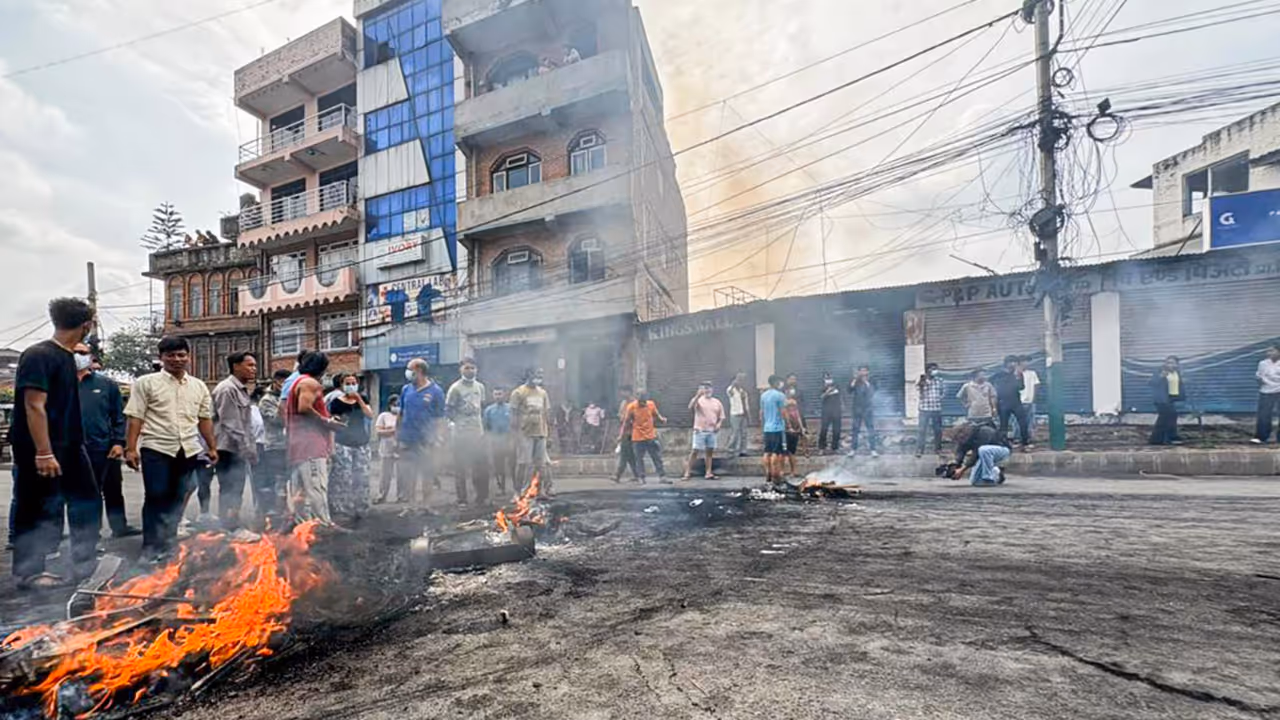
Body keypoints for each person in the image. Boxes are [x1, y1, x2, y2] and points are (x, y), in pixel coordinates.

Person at [10, 298, 100, 588]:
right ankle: (29, 572)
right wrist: (44, 452)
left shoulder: (66, 357)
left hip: (71, 445)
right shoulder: (38, 355)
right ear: (87, 325)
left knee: (87, 500)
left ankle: (85, 564)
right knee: (36, 506)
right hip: (41, 448)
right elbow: (34, 405)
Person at [125, 336, 218, 562]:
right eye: (171, 355)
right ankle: (150, 548)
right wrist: (130, 448)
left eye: (181, 355)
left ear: (188, 357)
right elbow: (135, 416)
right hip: (156, 448)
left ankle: (167, 544)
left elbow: (204, 419)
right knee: (156, 497)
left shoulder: (198, 386)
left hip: (187, 449)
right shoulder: (146, 383)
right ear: (161, 358)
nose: (177, 359)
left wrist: (212, 447)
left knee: (178, 498)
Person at [79, 347, 138, 538]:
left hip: (105, 447)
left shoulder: (106, 384)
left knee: (113, 489)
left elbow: (118, 417)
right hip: (75, 448)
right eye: (74, 352)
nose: (78, 357)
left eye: (83, 353)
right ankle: (89, 535)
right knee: (86, 494)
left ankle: (119, 527)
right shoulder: (58, 384)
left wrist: (119, 442)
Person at [285, 351, 344, 525]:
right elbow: (304, 408)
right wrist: (327, 421)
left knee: (301, 491)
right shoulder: (310, 383)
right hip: (310, 445)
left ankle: (305, 527)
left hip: (299, 444)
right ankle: (324, 525)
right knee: (316, 487)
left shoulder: (298, 382)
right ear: (321, 367)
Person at [211, 351, 259, 540]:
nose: (254, 369)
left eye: (254, 365)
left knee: (236, 488)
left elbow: (245, 424)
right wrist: (247, 449)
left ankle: (231, 525)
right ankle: (231, 528)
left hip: (237, 447)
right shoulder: (227, 389)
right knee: (230, 488)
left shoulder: (240, 389)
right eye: (250, 365)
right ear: (235, 366)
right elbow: (232, 424)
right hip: (228, 448)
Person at [398, 358, 445, 506]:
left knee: (427, 473)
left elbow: (440, 418)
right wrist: (397, 435)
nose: (407, 372)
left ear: (418, 370)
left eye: (409, 369)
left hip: (427, 440)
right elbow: (401, 413)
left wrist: (438, 439)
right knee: (408, 474)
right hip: (407, 439)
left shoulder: (436, 391)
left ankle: (427, 505)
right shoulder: (406, 389)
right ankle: (410, 505)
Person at [328, 374, 374, 521]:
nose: (351, 385)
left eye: (354, 383)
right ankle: (343, 509)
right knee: (343, 477)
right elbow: (333, 420)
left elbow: (369, 414)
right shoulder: (336, 402)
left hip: (361, 443)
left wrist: (358, 399)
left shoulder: (363, 399)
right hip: (343, 443)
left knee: (362, 477)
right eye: (348, 383)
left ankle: (361, 508)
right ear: (342, 385)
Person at [446, 358, 489, 508]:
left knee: (480, 467)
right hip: (461, 435)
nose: (470, 370)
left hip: (478, 433)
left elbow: (481, 407)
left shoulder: (480, 387)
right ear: (461, 370)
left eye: (473, 368)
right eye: (467, 368)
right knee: (461, 468)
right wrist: (458, 423)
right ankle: (462, 499)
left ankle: (481, 498)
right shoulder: (455, 388)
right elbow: (449, 410)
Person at [256, 369, 291, 525]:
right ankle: (270, 515)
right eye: (283, 382)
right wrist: (284, 404)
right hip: (275, 446)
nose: (285, 386)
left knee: (288, 481)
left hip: (291, 445)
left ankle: (285, 512)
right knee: (276, 481)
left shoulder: (291, 397)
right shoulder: (267, 400)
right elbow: (277, 421)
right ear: (275, 382)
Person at [509, 368, 553, 496]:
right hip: (525, 433)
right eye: (536, 374)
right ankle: (517, 492)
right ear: (528, 375)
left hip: (541, 433)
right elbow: (513, 414)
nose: (539, 377)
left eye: (541, 374)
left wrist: (548, 434)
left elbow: (546, 413)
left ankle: (538, 491)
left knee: (541, 465)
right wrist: (514, 435)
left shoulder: (543, 393)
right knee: (523, 463)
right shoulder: (518, 392)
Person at [621, 390, 667, 484]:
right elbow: (626, 422)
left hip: (651, 436)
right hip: (637, 438)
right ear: (637, 399)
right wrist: (622, 435)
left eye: (644, 401)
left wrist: (662, 420)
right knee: (639, 459)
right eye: (641, 401)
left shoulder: (651, 404)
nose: (643, 403)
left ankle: (662, 476)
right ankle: (641, 478)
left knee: (656, 457)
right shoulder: (631, 407)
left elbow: (657, 415)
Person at [682, 382, 724, 481]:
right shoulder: (699, 400)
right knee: (695, 451)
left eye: (709, 388)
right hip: (700, 430)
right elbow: (690, 406)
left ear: (712, 389)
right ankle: (687, 472)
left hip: (712, 431)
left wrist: (719, 424)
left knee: (709, 452)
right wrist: (697, 395)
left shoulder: (717, 402)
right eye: (705, 388)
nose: (708, 390)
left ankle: (708, 472)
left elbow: (721, 416)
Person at [950, 421, 1011, 486]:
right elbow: (960, 452)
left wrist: (962, 469)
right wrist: (955, 465)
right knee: (974, 481)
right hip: (985, 455)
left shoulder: (984, 431)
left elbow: (976, 455)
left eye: (960, 438)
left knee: (983, 450)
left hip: (1002, 450)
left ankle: (988, 478)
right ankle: (997, 475)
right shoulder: (965, 439)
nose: (960, 440)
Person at [993, 355, 1030, 450]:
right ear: (1006, 364)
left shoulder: (1019, 374)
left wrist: (1018, 377)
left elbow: (1022, 387)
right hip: (1003, 403)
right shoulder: (999, 374)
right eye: (1012, 362)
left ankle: (1025, 443)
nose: (1013, 364)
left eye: (1015, 362)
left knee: (1023, 423)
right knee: (1003, 425)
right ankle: (1003, 443)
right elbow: (994, 386)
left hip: (1016, 402)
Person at [1149, 356, 1185, 446]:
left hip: (1173, 398)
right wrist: (1160, 377)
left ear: (1177, 364)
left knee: (1171, 417)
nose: (1170, 365)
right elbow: (1151, 383)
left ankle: (1167, 437)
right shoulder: (1161, 372)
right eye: (1168, 362)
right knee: (1165, 418)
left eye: (1173, 363)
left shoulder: (1177, 373)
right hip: (1162, 399)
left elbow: (1179, 384)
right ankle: (1162, 438)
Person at [483, 388, 514, 493]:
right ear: (493, 396)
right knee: (498, 466)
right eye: (496, 394)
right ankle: (501, 487)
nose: (498, 396)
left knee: (513, 465)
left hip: (509, 441)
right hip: (496, 442)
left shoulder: (511, 409)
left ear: (504, 394)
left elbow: (516, 425)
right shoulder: (489, 410)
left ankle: (516, 488)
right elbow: (486, 428)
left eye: (500, 394)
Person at [760, 375, 787, 485]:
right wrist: (788, 424)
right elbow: (783, 412)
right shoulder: (780, 395)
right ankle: (775, 474)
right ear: (776, 382)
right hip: (777, 428)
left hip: (767, 428)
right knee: (776, 452)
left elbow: (761, 413)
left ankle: (768, 473)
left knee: (767, 452)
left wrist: (763, 426)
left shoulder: (763, 395)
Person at [847, 366, 879, 458]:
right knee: (855, 430)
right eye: (861, 371)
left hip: (868, 409)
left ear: (868, 371)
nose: (863, 372)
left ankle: (873, 450)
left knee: (870, 429)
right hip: (857, 409)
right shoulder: (856, 381)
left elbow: (874, 390)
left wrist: (866, 382)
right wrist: (854, 379)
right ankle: (853, 450)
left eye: (864, 370)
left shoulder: (872, 380)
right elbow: (849, 390)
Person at [1252, 344, 1280, 444]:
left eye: (1272, 351)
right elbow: (1259, 376)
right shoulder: (1263, 363)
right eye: (1268, 351)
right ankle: (1261, 436)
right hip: (1266, 391)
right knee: (1264, 415)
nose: (1269, 353)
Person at [915, 363, 945, 458]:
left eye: (936, 369)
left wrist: (939, 398)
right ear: (927, 370)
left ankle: (938, 449)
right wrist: (922, 383)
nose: (935, 371)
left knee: (937, 430)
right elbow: (919, 393)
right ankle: (920, 449)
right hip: (924, 409)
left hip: (936, 409)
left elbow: (943, 393)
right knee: (922, 430)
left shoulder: (939, 381)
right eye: (933, 369)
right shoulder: (921, 380)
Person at [374, 396, 399, 504]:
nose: (397, 407)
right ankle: (382, 495)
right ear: (390, 405)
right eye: (395, 405)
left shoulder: (403, 416)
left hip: (400, 449)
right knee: (385, 474)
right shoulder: (384, 416)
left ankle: (402, 496)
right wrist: (394, 431)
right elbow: (379, 431)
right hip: (386, 449)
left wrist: (390, 430)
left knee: (401, 474)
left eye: (399, 405)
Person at [612, 386, 639, 483]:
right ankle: (637, 475)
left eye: (624, 392)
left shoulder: (635, 404)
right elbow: (621, 416)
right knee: (630, 455)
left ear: (629, 392)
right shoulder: (623, 403)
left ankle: (617, 475)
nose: (622, 394)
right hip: (625, 431)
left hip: (632, 432)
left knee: (625, 454)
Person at [726, 372, 751, 457]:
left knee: (744, 433)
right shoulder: (731, 389)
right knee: (735, 432)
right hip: (735, 414)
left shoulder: (743, 391)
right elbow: (729, 393)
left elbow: (746, 404)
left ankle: (743, 450)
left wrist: (748, 416)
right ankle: (731, 450)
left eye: (742, 379)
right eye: (739, 379)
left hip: (743, 414)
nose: (741, 381)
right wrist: (733, 384)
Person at [1017, 356, 1040, 447]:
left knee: (1030, 421)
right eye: (1024, 361)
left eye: (1028, 362)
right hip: (1018, 402)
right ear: (1020, 362)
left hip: (1030, 401)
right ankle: (1018, 439)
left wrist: (1033, 399)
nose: (1027, 363)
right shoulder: (1016, 374)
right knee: (1017, 422)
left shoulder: (1032, 373)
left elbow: (1036, 385)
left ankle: (1029, 439)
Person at [783, 389, 806, 478]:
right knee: (788, 452)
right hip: (788, 431)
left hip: (793, 431)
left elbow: (798, 417)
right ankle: (789, 471)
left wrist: (801, 428)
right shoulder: (785, 406)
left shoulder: (793, 404)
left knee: (791, 452)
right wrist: (790, 427)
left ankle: (792, 471)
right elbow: (787, 417)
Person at [817, 373, 842, 455]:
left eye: (830, 377)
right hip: (826, 412)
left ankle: (835, 447)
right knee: (824, 430)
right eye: (827, 378)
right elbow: (820, 397)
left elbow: (840, 397)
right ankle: (821, 448)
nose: (829, 379)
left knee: (837, 430)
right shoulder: (822, 388)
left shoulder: (837, 386)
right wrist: (827, 392)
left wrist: (842, 406)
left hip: (836, 411)